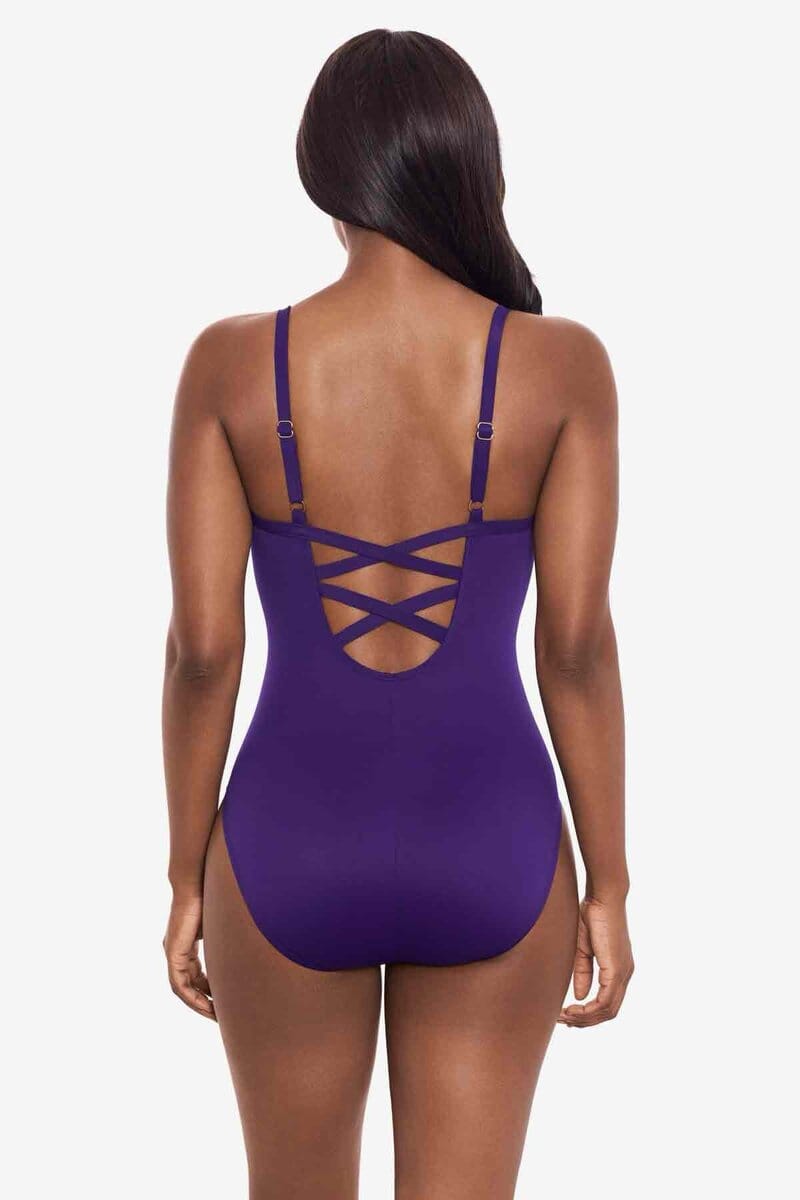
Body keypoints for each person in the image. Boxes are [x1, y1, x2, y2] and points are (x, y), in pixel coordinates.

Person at [162, 28, 633, 1200]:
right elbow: (575, 649)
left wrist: (183, 876)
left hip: (286, 841)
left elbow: (204, 652)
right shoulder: (560, 366)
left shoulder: (229, 366)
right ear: (470, 164)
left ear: (321, 168)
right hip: (492, 839)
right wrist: (609, 884)